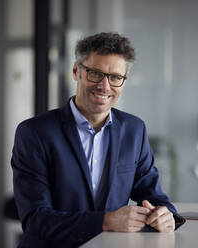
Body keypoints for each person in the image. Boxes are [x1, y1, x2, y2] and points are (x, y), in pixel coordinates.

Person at [11, 32, 184, 248]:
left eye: (115, 77)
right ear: (76, 71)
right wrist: (107, 221)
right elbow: (35, 219)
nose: (104, 86)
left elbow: (153, 196)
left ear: (123, 80)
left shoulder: (134, 129)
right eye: (95, 73)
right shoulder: (34, 133)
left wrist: (166, 215)